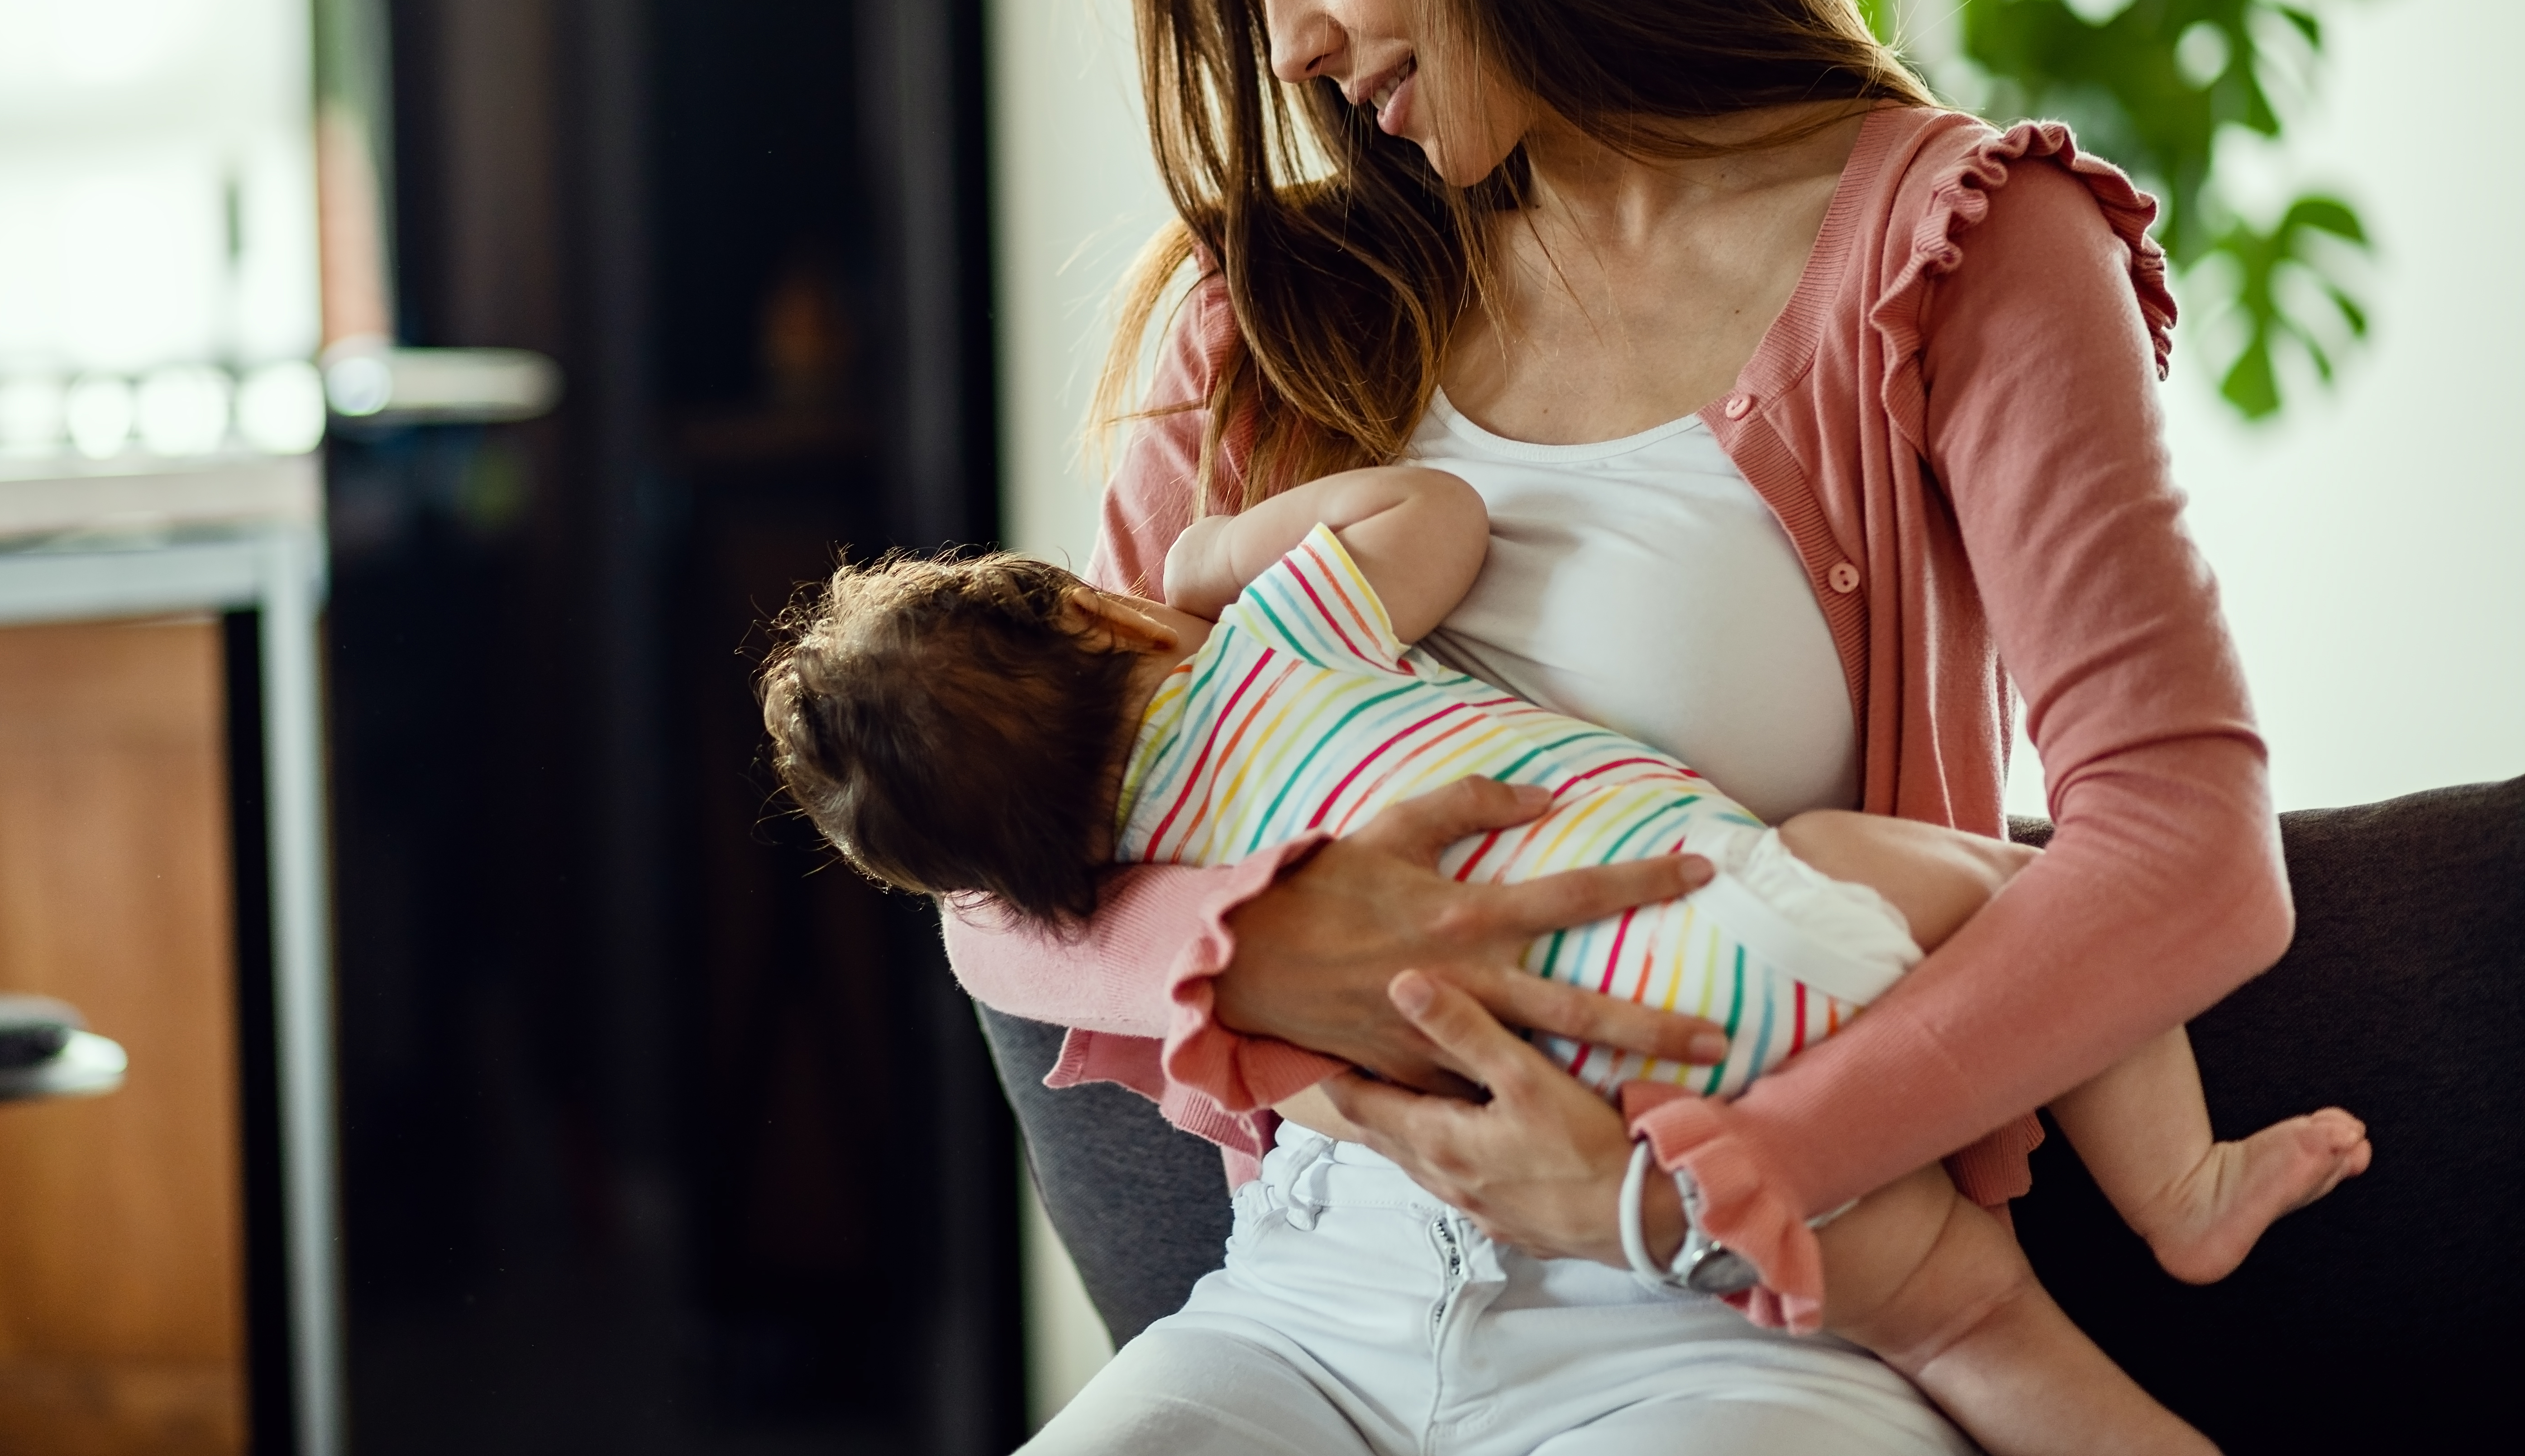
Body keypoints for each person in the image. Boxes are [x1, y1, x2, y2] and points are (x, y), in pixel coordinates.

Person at [937, 0, 2305, 1454]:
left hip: (1740, 1319)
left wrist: (1724, 1170)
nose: (1292, 45)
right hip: (1307, 1307)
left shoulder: (1963, 250)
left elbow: (2184, 844)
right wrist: (1254, 941)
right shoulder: (1268, 323)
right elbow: (999, 881)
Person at [763, 465, 2367, 1454]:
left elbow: (1001, 926)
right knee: (2011, 897)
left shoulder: (1144, 877)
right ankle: (2181, 1190)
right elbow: (1436, 516)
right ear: (1108, 624)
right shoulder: (1270, 637)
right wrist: (1218, 556)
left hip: (1553, 1106)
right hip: (1732, 962)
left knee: (1964, 1324)